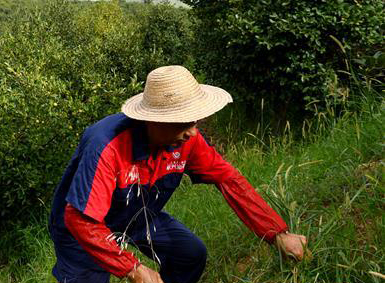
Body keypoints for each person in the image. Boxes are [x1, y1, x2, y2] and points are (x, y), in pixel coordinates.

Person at [49, 66, 307, 283]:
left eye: (194, 121)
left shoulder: (186, 140)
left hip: (138, 215)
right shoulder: (107, 145)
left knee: (190, 254)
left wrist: (277, 233)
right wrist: (133, 268)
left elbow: (228, 180)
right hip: (84, 227)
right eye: (183, 122)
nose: (192, 132)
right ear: (153, 120)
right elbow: (81, 220)